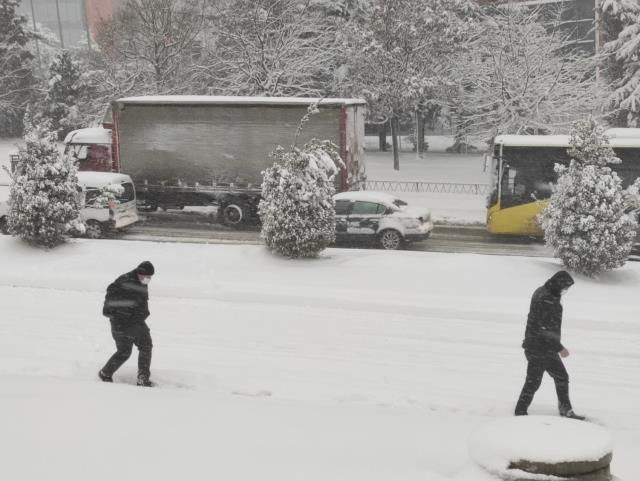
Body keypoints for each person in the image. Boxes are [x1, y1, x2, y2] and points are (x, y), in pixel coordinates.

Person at [514, 270, 584, 419]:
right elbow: (544, 328)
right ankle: (520, 412)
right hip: (538, 347)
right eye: (564, 288)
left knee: (560, 377)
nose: (565, 291)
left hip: (544, 346)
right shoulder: (546, 298)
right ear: (558, 284)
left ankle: (566, 410)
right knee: (534, 381)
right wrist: (560, 348)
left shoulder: (545, 292)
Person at [99, 261, 155, 387]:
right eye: (146, 276)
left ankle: (143, 378)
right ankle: (105, 373)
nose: (148, 279)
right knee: (124, 351)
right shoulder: (124, 281)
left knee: (146, 346)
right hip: (121, 323)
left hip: (137, 321)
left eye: (150, 277)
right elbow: (110, 303)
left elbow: (141, 301)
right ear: (139, 272)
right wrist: (126, 312)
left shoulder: (142, 281)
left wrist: (143, 313)